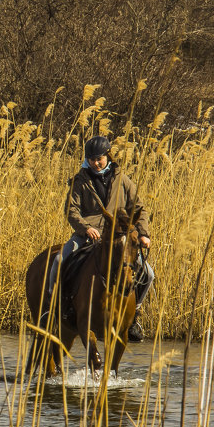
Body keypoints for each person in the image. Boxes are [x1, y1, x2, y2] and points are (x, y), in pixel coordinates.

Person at [43, 135, 154, 341]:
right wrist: (85, 228)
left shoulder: (123, 180)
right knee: (59, 260)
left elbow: (139, 208)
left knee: (148, 273)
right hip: (88, 234)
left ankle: (135, 315)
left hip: (117, 236)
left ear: (108, 156)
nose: (95, 163)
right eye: (91, 159)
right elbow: (72, 210)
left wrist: (144, 234)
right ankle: (52, 309)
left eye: (99, 159)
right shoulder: (80, 181)